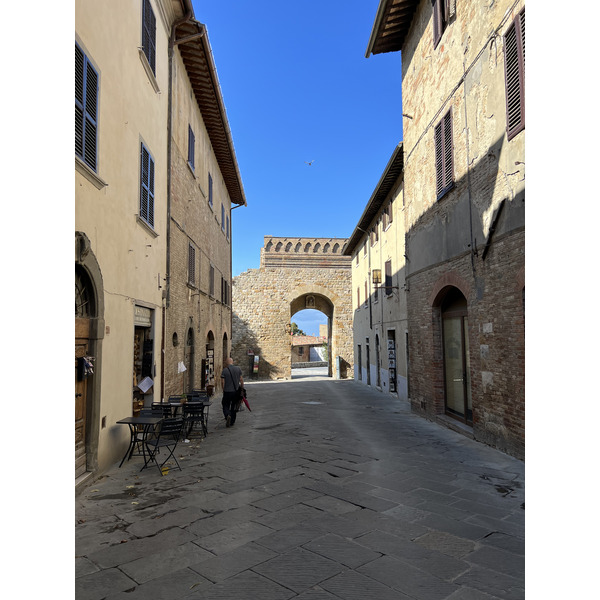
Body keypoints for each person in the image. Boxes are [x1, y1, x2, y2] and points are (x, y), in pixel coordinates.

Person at [220, 357, 244, 427]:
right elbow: (241, 380)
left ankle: (227, 415)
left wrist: (223, 390)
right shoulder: (238, 369)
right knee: (234, 406)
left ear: (226, 363)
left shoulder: (224, 371)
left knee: (225, 404)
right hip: (236, 391)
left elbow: (222, 382)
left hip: (227, 391)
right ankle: (232, 421)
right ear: (232, 362)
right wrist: (242, 389)